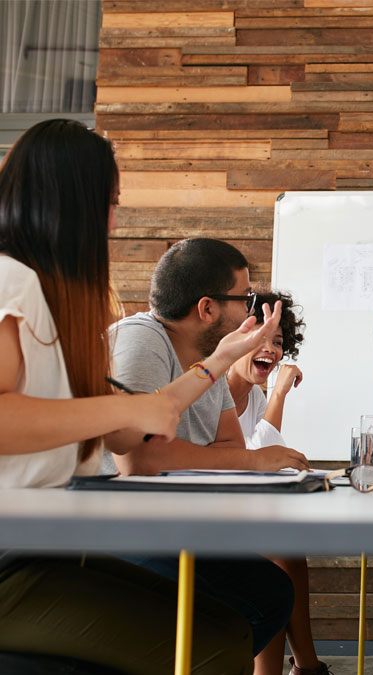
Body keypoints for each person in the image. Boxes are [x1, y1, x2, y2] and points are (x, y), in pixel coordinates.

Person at [0, 119, 265, 673]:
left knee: (233, 626)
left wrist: (218, 360)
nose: (115, 220)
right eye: (110, 202)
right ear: (74, 203)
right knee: (215, 650)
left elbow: (134, 426)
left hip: (46, 549)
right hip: (12, 563)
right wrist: (128, 407)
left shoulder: (64, 300)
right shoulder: (10, 281)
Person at [104, 238, 307, 659]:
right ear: (207, 308)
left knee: (270, 591)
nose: (251, 309)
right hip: (114, 536)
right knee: (247, 599)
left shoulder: (207, 357)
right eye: (245, 297)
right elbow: (140, 460)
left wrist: (233, 457)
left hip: (175, 527)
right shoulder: (142, 339)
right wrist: (253, 460)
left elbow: (227, 442)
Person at [225, 289, 330, 675]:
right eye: (260, 337)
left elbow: (260, 462)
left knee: (284, 550)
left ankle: (296, 668)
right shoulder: (210, 388)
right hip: (197, 519)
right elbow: (245, 460)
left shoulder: (252, 397)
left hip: (234, 513)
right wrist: (280, 393)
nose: (270, 349)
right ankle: (306, 667)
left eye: (279, 342)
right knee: (277, 556)